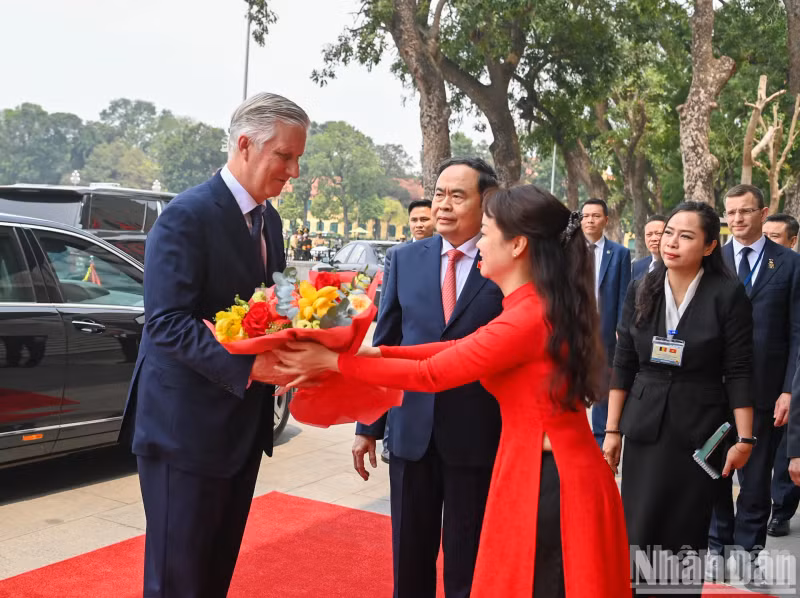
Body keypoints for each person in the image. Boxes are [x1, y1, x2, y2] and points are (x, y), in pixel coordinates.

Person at [271, 185, 631, 598]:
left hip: (551, 480)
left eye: (488, 231)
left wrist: (334, 364)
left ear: (517, 245)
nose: (480, 242)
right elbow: (458, 348)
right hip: (538, 466)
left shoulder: (530, 315)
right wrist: (373, 351)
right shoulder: (530, 305)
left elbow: (434, 374)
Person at [126, 92, 308, 598]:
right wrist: (252, 370)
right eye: (285, 156)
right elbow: (166, 323)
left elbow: (270, 307)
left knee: (212, 577)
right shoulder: (187, 215)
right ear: (246, 145)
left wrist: (312, 326)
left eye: (298, 158)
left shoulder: (269, 221)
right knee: (178, 581)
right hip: (184, 430)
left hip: (240, 430)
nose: (292, 171)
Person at [350, 157, 504, 598]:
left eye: (458, 195)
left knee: (466, 560)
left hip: (476, 432)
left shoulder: (501, 259)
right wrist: (368, 427)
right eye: (439, 193)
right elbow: (388, 340)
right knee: (408, 556)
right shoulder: (404, 258)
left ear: (485, 201)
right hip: (411, 430)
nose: (444, 205)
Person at [603, 201, 755, 596]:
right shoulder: (642, 287)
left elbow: (739, 368)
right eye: (669, 232)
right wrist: (612, 429)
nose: (671, 242)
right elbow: (623, 361)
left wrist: (745, 438)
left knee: (685, 532)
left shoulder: (727, 293)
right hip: (645, 423)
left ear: (708, 246)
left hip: (701, 431)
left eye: (685, 236)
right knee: (639, 524)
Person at [709, 186, 800, 583]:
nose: (738, 219)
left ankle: (749, 553)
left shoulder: (789, 264)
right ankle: (717, 547)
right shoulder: (712, 259)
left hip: (765, 392)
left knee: (757, 478)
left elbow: (797, 334)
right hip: (712, 391)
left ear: (763, 213)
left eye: (746, 211)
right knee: (714, 470)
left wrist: (788, 391)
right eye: (731, 212)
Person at [380, 198, 436, 464]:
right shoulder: (399, 256)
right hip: (404, 346)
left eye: (424, 219)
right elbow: (388, 310)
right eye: (414, 220)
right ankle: (390, 442)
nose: (419, 224)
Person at [580, 198, 631, 447]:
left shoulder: (620, 253)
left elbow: (624, 294)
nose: (590, 220)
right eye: (586, 215)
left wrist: (622, 327)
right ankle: (575, 436)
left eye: (595, 216)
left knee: (602, 384)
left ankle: (601, 439)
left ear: (606, 220)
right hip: (575, 328)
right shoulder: (567, 250)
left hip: (606, 330)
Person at [765, 213, 800, 537]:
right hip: (760, 373)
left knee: (787, 447)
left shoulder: (793, 268)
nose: (768, 241)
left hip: (791, 371)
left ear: (792, 241)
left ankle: (782, 509)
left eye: (776, 236)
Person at [632, 215, 665, 281]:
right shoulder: (638, 266)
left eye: (658, 234)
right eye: (649, 235)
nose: (653, 239)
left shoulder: (676, 266)